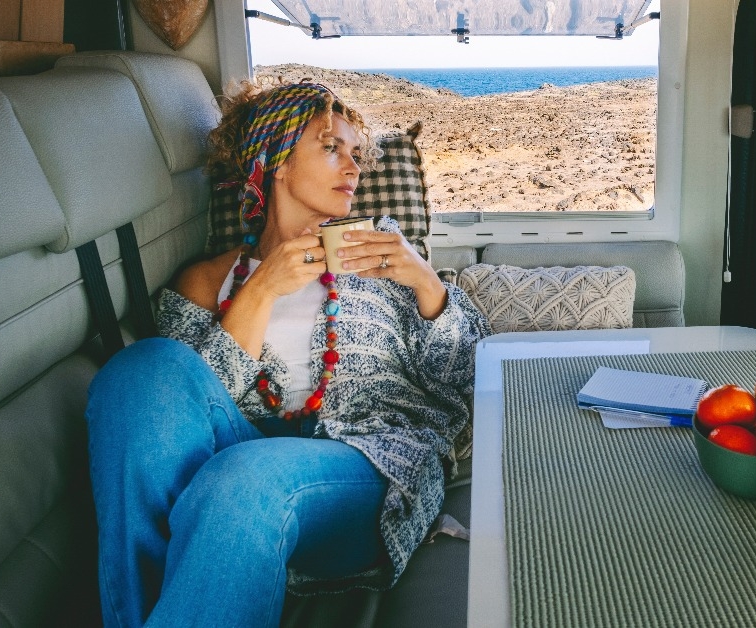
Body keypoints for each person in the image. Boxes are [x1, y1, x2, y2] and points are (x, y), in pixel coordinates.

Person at [85, 81, 491, 627]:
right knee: (139, 371)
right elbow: (174, 430)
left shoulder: (381, 253)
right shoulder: (209, 281)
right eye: (330, 147)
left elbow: (471, 374)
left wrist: (426, 286)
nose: (352, 167)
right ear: (275, 160)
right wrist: (260, 290)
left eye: (356, 154)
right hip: (236, 463)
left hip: (368, 466)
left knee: (246, 478)